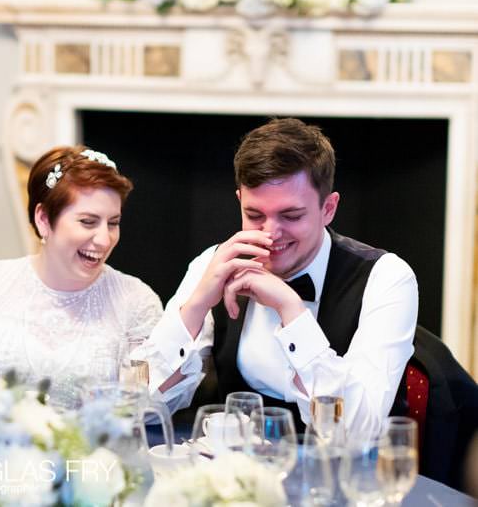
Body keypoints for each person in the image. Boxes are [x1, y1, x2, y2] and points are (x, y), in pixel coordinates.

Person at [145, 118, 418, 436]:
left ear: (328, 208)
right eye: (255, 215)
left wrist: (292, 310)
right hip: (238, 472)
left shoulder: (386, 277)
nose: (271, 234)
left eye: (291, 216)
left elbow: (357, 431)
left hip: (341, 475)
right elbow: (143, 409)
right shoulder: (216, 261)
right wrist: (195, 307)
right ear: (239, 202)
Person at [0, 145, 165, 409]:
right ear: (44, 219)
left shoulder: (136, 302)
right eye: (88, 222)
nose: (105, 240)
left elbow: (140, 409)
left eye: (113, 223)